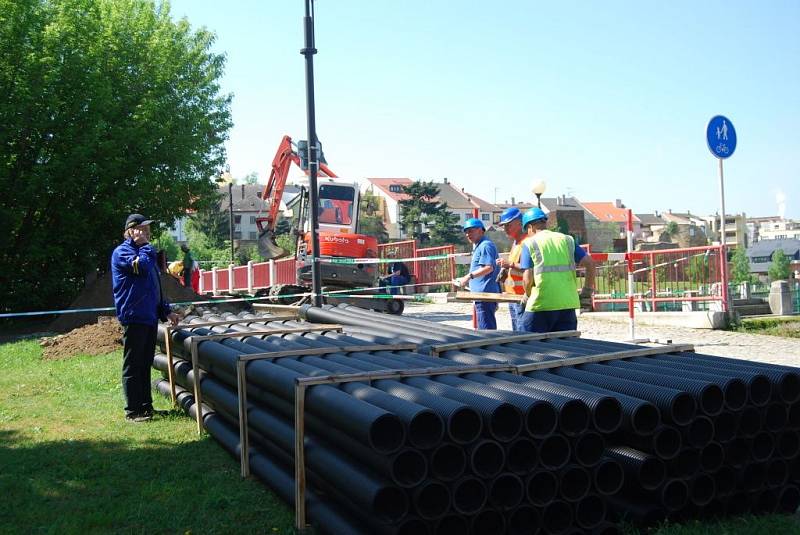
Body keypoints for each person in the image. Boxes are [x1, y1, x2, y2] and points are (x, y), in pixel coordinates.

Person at [111, 214, 179, 422]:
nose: (148, 233)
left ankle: (146, 407)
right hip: (134, 316)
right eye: (143, 229)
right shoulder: (123, 253)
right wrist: (147, 247)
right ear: (131, 231)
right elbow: (141, 268)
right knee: (133, 364)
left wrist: (165, 310)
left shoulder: (145, 253)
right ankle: (133, 410)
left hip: (149, 317)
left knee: (144, 363)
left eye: (148, 229)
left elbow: (154, 288)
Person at [517, 208, 595, 333]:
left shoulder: (530, 243)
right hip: (567, 306)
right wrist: (586, 292)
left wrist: (527, 295)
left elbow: (527, 279)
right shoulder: (567, 240)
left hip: (540, 306)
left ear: (530, 227)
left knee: (529, 346)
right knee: (565, 349)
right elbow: (590, 264)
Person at [458, 218, 501, 329]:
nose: (468, 234)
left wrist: (468, 276)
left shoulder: (485, 245)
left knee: (487, 331)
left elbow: (488, 268)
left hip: (485, 295)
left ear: (481, 231)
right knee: (484, 328)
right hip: (481, 295)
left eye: (471, 231)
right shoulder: (479, 246)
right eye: (466, 232)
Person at [495, 207, 527, 331]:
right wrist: (505, 271)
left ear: (520, 223)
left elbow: (530, 269)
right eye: (504, 226)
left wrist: (510, 264)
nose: (505, 229)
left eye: (508, 225)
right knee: (516, 333)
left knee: (522, 334)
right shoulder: (516, 243)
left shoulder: (527, 243)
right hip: (512, 297)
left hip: (522, 298)